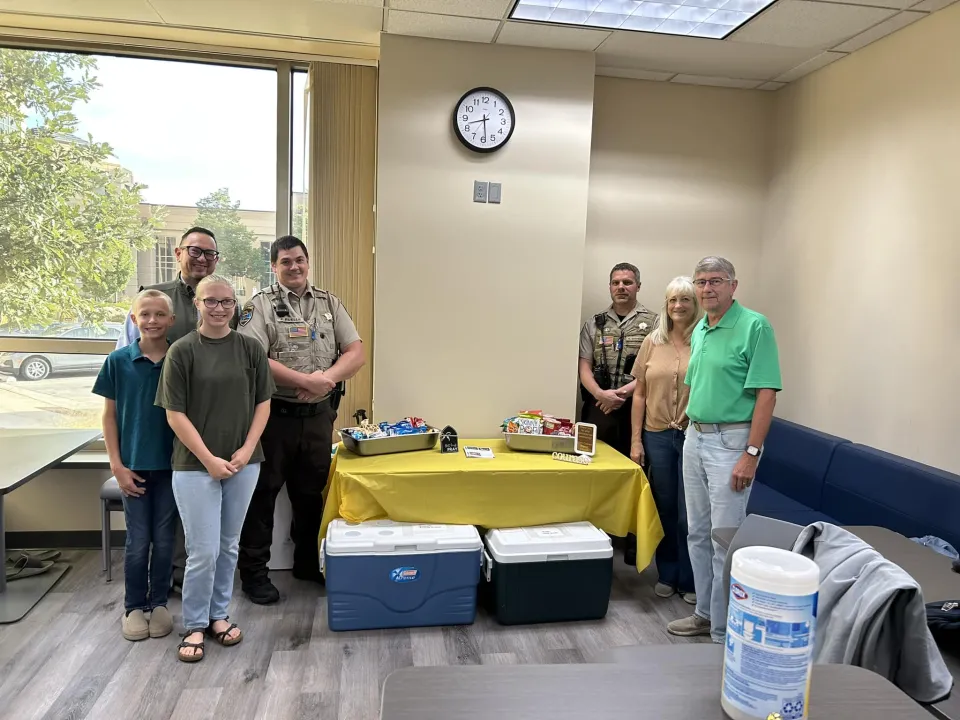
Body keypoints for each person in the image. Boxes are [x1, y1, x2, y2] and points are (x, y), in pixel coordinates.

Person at [237, 236, 364, 605]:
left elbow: (355, 351)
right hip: (274, 417)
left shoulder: (329, 303)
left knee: (311, 496)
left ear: (307, 262)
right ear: (273, 267)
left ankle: (307, 563)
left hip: (319, 416)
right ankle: (254, 575)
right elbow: (254, 358)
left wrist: (327, 379)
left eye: (299, 260)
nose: (294, 267)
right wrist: (304, 380)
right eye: (285, 262)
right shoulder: (258, 306)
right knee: (262, 497)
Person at [155, 274, 275, 663]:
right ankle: (194, 624)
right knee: (202, 550)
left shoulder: (250, 349)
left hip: (244, 463)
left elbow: (263, 404)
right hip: (193, 466)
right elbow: (175, 414)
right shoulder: (183, 351)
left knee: (228, 545)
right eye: (211, 301)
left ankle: (218, 615)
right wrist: (208, 459)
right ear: (197, 305)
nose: (220, 308)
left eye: (226, 302)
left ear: (235, 306)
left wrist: (246, 450)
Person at [116, 226, 239, 594]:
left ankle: (190, 577)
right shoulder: (154, 300)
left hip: (202, 421)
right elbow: (125, 361)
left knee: (193, 503)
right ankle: (157, 584)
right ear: (177, 252)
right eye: (194, 251)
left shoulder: (223, 300)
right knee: (156, 509)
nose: (202, 259)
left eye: (210, 254)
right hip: (154, 420)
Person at [666, 257, 781, 642]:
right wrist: (687, 419)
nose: (707, 288)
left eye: (716, 281)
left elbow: (766, 393)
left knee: (723, 538)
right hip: (695, 438)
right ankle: (704, 613)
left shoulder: (754, 326)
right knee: (696, 532)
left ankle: (723, 632)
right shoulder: (701, 327)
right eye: (701, 282)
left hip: (732, 442)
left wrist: (751, 452)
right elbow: (700, 384)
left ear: (734, 285)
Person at [93, 289, 178, 643]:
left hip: (174, 467)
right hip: (134, 467)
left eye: (160, 314)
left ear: (171, 320)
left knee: (165, 538)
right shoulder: (118, 362)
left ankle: (159, 602)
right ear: (133, 319)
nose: (153, 320)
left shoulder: (180, 358)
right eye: (145, 314)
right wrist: (117, 465)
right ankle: (133, 606)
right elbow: (109, 416)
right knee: (138, 541)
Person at [630, 277, 702, 605]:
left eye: (685, 300)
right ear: (666, 304)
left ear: (695, 303)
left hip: (693, 436)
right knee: (665, 507)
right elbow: (640, 394)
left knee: (691, 513)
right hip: (657, 435)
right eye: (673, 300)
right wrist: (636, 441)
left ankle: (690, 578)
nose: (678, 306)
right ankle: (667, 573)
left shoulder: (705, 341)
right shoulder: (652, 341)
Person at [578, 262, 658, 456]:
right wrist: (600, 394)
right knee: (589, 461)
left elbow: (654, 369)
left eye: (627, 282)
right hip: (598, 405)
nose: (621, 287)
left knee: (632, 465)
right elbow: (584, 366)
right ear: (610, 286)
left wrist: (620, 394)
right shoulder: (595, 323)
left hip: (635, 407)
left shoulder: (654, 323)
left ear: (638, 286)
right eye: (616, 282)